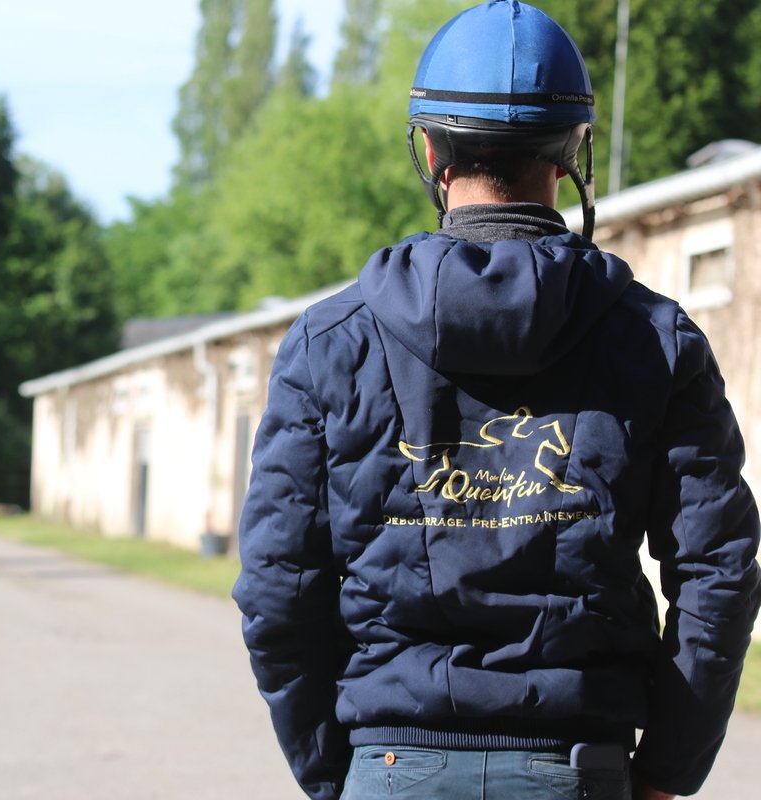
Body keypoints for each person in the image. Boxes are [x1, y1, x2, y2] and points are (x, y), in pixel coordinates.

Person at [231, 3, 761, 800]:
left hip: (392, 768)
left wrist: (333, 771)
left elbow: (280, 584)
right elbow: (718, 570)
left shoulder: (330, 343)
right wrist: (666, 772)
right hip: (580, 768)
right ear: (573, 152)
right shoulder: (655, 341)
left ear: (431, 150)